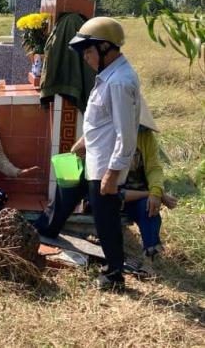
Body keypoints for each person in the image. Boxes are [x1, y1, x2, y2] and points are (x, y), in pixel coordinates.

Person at [35, 96, 177, 271]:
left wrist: (155, 193)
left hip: (134, 192)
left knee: (149, 209)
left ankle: (149, 258)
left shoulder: (145, 136)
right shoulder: (106, 130)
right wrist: (91, 137)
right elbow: (75, 151)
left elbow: (154, 168)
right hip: (107, 191)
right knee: (85, 189)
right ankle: (47, 228)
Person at [68, 16, 141, 290]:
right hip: (99, 160)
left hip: (107, 165)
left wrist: (112, 173)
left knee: (108, 222)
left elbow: (126, 133)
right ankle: (112, 269)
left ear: (105, 48)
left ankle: (114, 276)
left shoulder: (119, 82)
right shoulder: (110, 76)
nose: (86, 57)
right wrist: (85, 140)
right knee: (103, 219)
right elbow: (105, 120)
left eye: (88, 50)